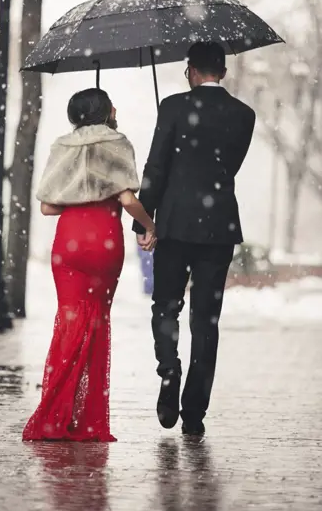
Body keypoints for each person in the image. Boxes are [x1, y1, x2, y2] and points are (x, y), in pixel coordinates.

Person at [134, 41, 256, 436]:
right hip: (218, 228)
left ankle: (169, 370)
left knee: (166, 305)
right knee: (206, 321)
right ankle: (194, 412)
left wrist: (144, 221)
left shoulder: (171, 107)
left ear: (190, 70)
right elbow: (229, 168)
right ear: (223, 71)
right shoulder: (244, 115)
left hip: (175, 223)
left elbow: (155, 167)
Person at [23, 88, 156, 442]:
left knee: (68, 324)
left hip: (69, 243)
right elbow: (128, 198)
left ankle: (53, 414)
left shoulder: (62, 146)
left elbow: (47, 207)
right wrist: (150, 225)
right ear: (106, 111)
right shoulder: (118, 143)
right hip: (103, 242)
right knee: (96, 324)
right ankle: (87, 419)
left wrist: (77, 193)